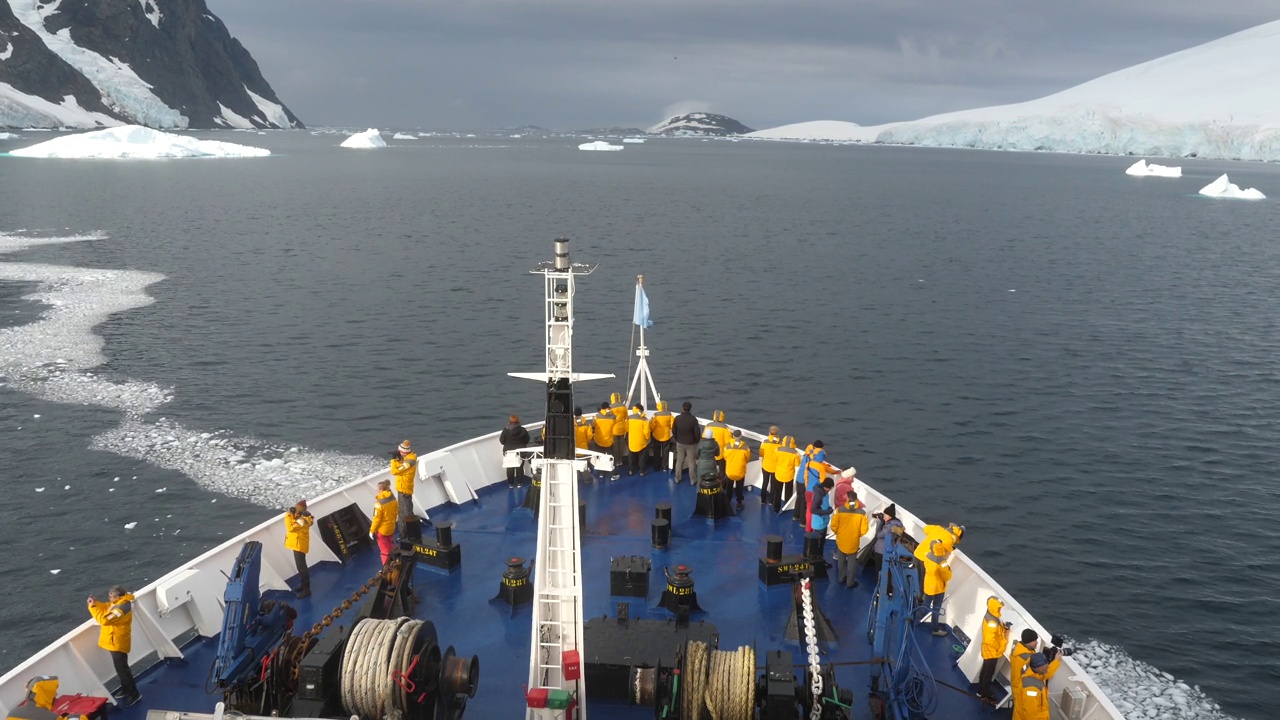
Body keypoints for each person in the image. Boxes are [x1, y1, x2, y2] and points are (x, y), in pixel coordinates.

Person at [87, 586, 140, 707]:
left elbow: (104, 620)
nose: (109, 598)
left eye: (112, 596)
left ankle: (134, 693)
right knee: (120, 668)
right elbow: (107, 607)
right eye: (109, 596)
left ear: (119, 597)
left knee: (123, 669)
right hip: (114, 640)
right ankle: (126, 689)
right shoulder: (117, 603)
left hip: (118, 642)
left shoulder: (121, 608)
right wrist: (96, 604)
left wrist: (92, 608)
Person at [829, 492, 869, 588]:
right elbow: (864, 529)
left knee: (841, 561)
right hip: (853, 541)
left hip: (841, 540)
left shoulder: (839, 510)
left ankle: (841, 578)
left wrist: (839, 533)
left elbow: (833, 526)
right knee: (851, 563)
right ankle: (850, 582)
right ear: (856, 500)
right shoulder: (862, 513)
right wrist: (857, 535)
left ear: (847, 499)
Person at [978, 595, 1013, 699]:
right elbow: (990, 640)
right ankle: (984, 693)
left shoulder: (992, 616)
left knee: (985, 670)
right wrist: (999, 647)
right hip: (992, 651)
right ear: (994, 607)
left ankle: (981, 690)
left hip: (989, 650)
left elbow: (996, 632)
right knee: (988, 673)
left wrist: (1005, 628)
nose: (1000, 609)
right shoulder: (992, 622)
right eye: (999, 607)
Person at [1013, 651, 1062, 720]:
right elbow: (1030, 714)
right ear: (1038, 668)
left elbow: (1047, 673)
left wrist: (1056, 661)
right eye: (1045, 666)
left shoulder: (1031, 669)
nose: (1047, 667)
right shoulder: (1030, 690)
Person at [921, 539, 952, 636]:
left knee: (925, 604)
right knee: (936, 608)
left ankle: (916, 619)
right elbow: (947, 576)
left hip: (928, 584)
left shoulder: (928, 555)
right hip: (938, 588)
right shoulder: (942, 562)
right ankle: (935, 629)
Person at [284, 500, 314, 598]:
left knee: (302, 568)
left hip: (299, 545)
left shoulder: (302, 520)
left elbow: (291, 527)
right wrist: (293, 514)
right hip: (298, 544)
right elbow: (295, 521)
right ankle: (303, 585)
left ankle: (306, 589)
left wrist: (288, 515)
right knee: (301, 567)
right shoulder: (302, 518)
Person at [803, 441, 834, 531]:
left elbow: (806, 476)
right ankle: (812, 528)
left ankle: (808, 527)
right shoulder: (821, 467)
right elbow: (823, 481)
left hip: (808, 489)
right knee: (815, 510)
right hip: (815, 492)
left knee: (808, 509)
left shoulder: (809, 463)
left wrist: (806, 486)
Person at [390, 440, 418, 533]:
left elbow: (395, 471)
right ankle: (405, 532)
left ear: (403, 452)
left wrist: (394, 460)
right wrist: (399, 460)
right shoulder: (407, 458)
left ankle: (409, 533)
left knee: (406, 514)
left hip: (405, 490)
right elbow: (400, 467)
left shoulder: (409, 462)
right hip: (402, 489)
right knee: (403, 512)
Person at [671, 401, 701, 484]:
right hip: (691, 443)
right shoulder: (693, 419)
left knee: (680, 460)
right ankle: (692, 479)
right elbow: (697, 433)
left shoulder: (677, 418)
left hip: (680, 442)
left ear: (682, 408)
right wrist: (696, 441)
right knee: (691, 461)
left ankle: (677, 478)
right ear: (690, 409)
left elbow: (673, 430)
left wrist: (677, 439)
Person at [370, 479, 398, 564]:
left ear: (381, 490)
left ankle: (387, 567)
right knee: (391, 545)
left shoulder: (379, 504)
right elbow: (396, 512)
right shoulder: (393, 499)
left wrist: (371, 530)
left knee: (385, 551)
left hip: (382, 531)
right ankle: (395, 561)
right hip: (391, 527)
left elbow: (376, 519)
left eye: (377, 489)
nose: (376, 491)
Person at [771, 435, 801, 514]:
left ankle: (776, 508)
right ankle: (786, 508)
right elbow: (797, 464)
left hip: (779, 474)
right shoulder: (795, 453)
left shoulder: (778, 450)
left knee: (777, 492)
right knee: (788, 493)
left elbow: (775, 459)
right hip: (789, 475)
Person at [722, 430, 751, 510]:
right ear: (740, 436)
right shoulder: (746, 447)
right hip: (740, 471)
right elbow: (747, 458)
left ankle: (728, 501)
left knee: (729, 487)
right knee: (739, 488)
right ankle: (739, 503)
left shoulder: (727, 446)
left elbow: (725, 457)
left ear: (733, 436)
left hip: (730, 471)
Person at [872, 503, 904, 575]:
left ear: (890, 516)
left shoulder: (889, 527)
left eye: (885, 515)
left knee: (879, 570)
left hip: (881, 551)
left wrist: (879, 522)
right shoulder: (897, 523)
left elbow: (878, 535)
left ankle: (880, 584)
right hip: (890, 549)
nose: (884, 516)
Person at [499, 414, 531, 488]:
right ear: (518, 421)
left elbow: (502, 441)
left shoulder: (505, 430)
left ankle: (511, 484)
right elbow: (527, 440)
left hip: (509, 452)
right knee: (520, 467)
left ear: (509, 421)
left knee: (510, 468)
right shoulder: (523, 430)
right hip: (521, 451)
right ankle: (519, 483)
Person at [591, 401, 619, 481]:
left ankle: (601, 473)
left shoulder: (597, 417)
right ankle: (614, 474)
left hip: (598, 441)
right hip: (609, 442)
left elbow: (593, 425)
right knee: (611, 458)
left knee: (600, 457)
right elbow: (615, 420)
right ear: (608, 408)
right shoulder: (613, 417)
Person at [809, 477, 834, 556]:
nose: (830, 490)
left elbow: (823, 505)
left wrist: (828, 508)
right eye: (829, 488)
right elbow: (813, 510)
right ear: (826, 487)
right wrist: (827, 511)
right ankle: (816, 560)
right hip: (819, 524)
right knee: (818, 545)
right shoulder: (819, 495)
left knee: (821, 544)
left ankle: (820, 558)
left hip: (823, 523)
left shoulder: (824, 493)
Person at [648, 401, 674, 473]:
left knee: (657, 452)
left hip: (656, 435)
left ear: (658, 406)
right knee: (665, 452)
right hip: (666, 436)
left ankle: (656, 467)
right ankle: (664, 467)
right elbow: (672, 425)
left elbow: (652, 425)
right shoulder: (669, 414)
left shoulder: (655, 415)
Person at [626, 403, 651, 476]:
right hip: (641, 442)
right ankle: (642, 471)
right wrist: (647, 439)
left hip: (631, 441)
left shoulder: (629, 418)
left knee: (631, 456)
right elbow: (646, 432)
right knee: (642, 456)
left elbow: (626, 429)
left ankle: (630, 470)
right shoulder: (644, 419)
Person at [758, 427, 781, 504]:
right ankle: (771, 501)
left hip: (765, 466)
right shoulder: (780, 445)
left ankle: (763, 500)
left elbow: (761, 453)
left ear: (769, 433)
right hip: (775, 467)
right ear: (777, 434)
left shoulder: (764, 442)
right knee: (773, 485)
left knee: (765, 483)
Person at [706, 410, 731, 476]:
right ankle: (721, 483)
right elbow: (728, 442)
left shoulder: (708, 426)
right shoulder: (725, 428)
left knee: (710, 468)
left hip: (710, 453)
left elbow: (704, 437)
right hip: (720, 454)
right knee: (722, 469)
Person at [573, 407, 594, 482]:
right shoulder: (586, 423)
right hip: (584, 448)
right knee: (584, 465)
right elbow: (590, 436)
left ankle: (576, 479)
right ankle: (587, 479)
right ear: (581, 413)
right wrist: (585, 442)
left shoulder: (571, 424)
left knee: (575, 465)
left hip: (574, 449)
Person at [609, 392, 628, 471]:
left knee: (616, 446)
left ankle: (616, 461)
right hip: (622, 429)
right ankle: (621, 460)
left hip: (614, 429)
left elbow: (610, 418)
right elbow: (626, 416)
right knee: (621, 445)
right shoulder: (623, 407)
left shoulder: (611, 407)